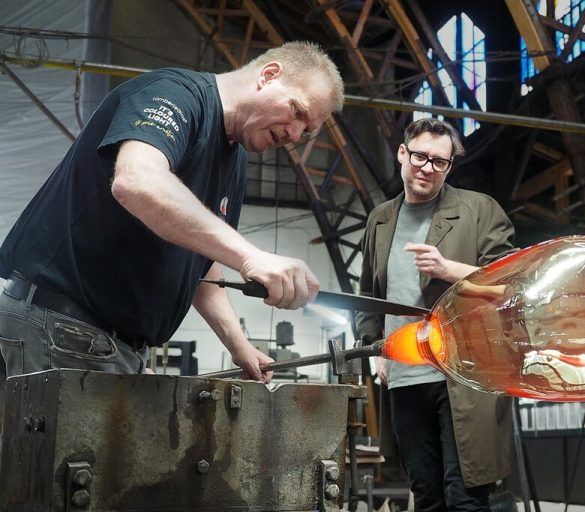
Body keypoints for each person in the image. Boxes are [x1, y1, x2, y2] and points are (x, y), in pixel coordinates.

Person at [0, 41, 344, 403]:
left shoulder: (235, 161)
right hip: (60, 325)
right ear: (269, 75)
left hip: (105, 341)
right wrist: (250, 257)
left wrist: (239, 344)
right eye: (297, 112)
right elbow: (137, 181)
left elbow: (199, 263)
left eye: (306, 131)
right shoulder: (175, 95)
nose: (294, 135)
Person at [356, 118, 515, 511]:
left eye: (440, 162)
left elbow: (510, 285)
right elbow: (367, 295)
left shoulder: (478, 210)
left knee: (465, 496)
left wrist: (449, 270)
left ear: (450, 166)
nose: (428, 167)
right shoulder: (380, 220)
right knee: (426, 496)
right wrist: (375, 348)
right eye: (421, 157)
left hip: (463, 373)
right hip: (405, 376)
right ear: (402, 153)